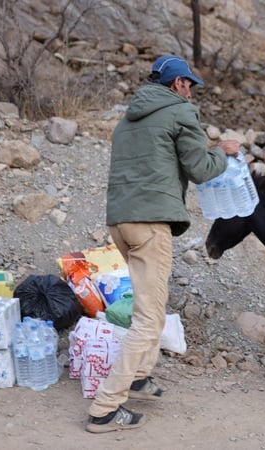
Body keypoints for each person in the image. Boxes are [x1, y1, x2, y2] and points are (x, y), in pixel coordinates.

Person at [86, 55, 240, 433]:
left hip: (120, 222)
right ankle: (105, 408)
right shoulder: (180, 112)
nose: (191, 91)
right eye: (190, 84)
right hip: (150, 224)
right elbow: (201, 169)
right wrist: (224, 151)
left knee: (149, 304)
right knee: (149, 317)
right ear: (177, 84)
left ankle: (138, 378)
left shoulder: (127, 119)